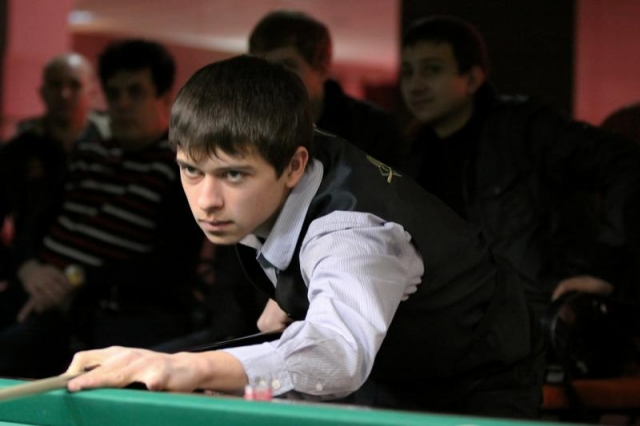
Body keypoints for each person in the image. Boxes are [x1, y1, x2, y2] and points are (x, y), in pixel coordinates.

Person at [66, 55, 544, 419]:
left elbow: (337, 352)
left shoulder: (350, 235)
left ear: (294, 166)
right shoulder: (278, 146)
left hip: (478, 383)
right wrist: (295, 296)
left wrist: (192, 367)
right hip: (396, 365)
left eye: (233, 175)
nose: (206, 200)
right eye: (191, 170)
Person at [399, 16, 640, 319]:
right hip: (461, 332)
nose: (415, 85)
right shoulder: (410, 157)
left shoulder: (524, 129)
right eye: (407, 72)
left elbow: (625, 163)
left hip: (543, 324)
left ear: (472, 78)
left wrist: (605, 268)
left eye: (432, 69)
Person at [0, 39, 203, 378]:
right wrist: (29, 267)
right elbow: (35, 224)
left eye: (135, 92)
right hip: (38, 286)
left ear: (164, 98)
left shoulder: (181, 168)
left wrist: (76, 280)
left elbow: (170, 265)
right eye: (114, 93)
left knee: (13, 351)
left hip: (100, 306)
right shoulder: (87, 154)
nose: (122, 104)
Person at [0, 53, 108, 324]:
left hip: (95, 282)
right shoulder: (17, 152)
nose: (64, 93)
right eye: (56, 84)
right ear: (43, 92)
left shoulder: (111, 149)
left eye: (74, 85)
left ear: (91, 92)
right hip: (31, 274)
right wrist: (22, 266)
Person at [248, 9, 404, 167]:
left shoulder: (373, 128)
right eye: (261, 68)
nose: (270, 79)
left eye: (285, 67)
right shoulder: (247, 127)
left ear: (322, 68)